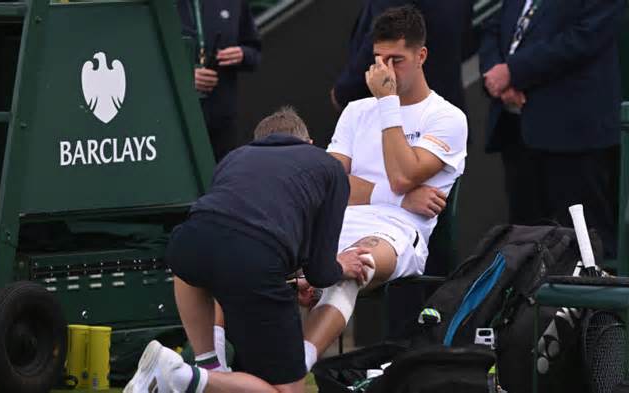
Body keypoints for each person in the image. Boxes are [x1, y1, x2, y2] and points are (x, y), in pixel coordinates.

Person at [124, 108, 374, 393]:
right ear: (309, 144)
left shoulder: (235, 158)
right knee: (288, 391)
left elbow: (227, 229)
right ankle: (182, 377)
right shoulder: (328, 167)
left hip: (187, 248)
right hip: (250, 259)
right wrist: (342, 265)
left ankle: (205, 369)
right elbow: (320, 272)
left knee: (196, 270)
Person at [302, 5, 468, 371]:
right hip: (338, 221)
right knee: (254, 254)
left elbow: (402, 175)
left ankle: (297, 364)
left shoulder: (447, 117)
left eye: (397, 60)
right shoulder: (356, 111)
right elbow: (327, 186)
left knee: (350, 267)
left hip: (396, 234)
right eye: (379, 60)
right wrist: (399, 197)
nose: (386, 72)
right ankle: (215, 364)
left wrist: (388, 103)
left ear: (421, 55)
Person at [479, 0, 625, 258]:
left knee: (584, 245)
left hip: (574, 136)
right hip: (517, 131)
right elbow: (493, 26)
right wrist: (498, 77)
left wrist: (514, 72)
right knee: (524, 244)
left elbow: (585, 37)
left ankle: (585, 299)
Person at [331, 0, 473, 112]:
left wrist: (344, 93)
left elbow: (383, 42)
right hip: (445, 103)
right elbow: (465, 40)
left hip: (403, 116)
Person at [177, 0, 262, 162]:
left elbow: (254, 52)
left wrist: (242, 54)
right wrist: (183, 77)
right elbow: (145, 57)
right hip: (177, 118)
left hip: (222, 119)